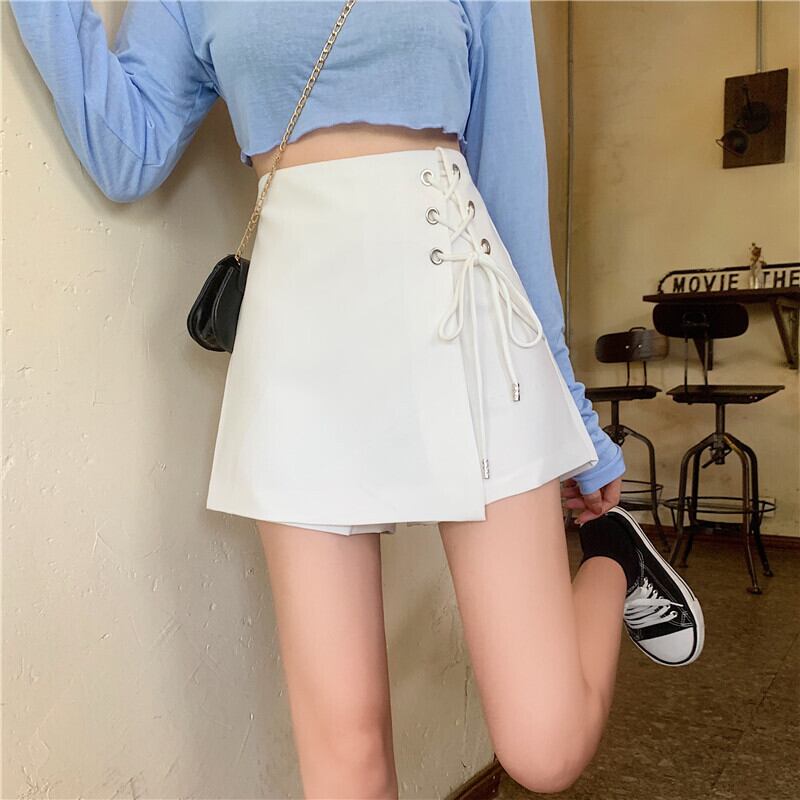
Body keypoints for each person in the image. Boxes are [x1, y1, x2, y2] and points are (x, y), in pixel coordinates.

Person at [9, 0, 704, 797]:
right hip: (300, 348)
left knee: (544, 749)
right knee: (346, 760)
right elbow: (125, 152)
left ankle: (613, 556)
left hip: (468, 319)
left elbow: (511, 181)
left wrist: (576, 419)